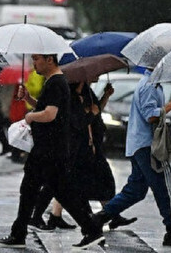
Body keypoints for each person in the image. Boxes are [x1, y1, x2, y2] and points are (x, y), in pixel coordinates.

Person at [0, 54, 104, 250]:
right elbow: (49, 108)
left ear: (49, 60)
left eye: (37, 59)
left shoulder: (56, 83)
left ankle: (92, 229)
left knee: (60, 193)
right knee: (30, 190)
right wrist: (28, 99)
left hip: (49, 151)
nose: (34, 63)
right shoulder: (55, 82)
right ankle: (19, 233)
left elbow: (50, 114)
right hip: (49, 149)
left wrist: (29, 117)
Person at [91, 68, 171, 246]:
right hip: (148, 146)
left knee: (135, 191)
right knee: (166, 187)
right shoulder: (149, 86)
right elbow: (150, 116)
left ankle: (98, 218)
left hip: (139, 145)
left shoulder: (154, 85)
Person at [28, 81, 136, 232]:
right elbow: (77, 123)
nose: (96, 77)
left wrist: (105, 96)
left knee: (104, 181)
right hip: (73, 148)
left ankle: (105, 216)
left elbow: (96, 111)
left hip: (90, 147)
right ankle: (43, 216)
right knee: (58, 183)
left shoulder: (87, 92)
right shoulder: (67, 95)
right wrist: (91, 113)